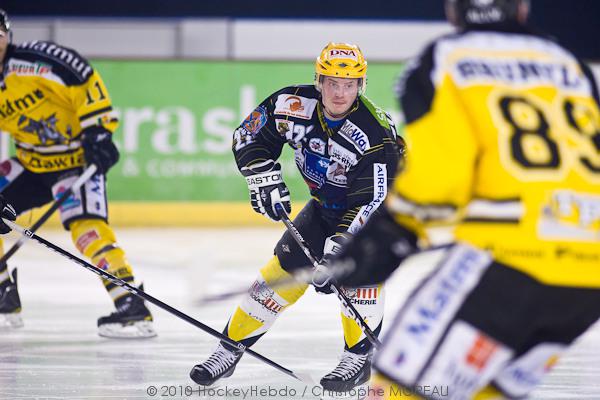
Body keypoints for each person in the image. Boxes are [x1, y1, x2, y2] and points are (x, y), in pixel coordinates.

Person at [330, 0, 600, 399]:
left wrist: (391, 232)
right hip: (589, 272)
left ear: (454, 11)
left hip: (508, 259)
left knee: (397, 388)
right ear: (521, 9)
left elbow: (442, 181)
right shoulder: (569, 63)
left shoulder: (444, 59)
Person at [190, 42, 403, 392]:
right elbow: (249, 137)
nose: (340, 92)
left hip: (376, 216)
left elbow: (373, 200)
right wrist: (262, 176)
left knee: (358, 279)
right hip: (323, 207)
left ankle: (357, 358)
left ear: (361, 85)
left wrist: (339, 251)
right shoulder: (290, 104)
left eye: (349, 84)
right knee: (278, 275)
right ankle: (228, 349)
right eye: (332, 82)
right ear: (319, 80)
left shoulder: (374, 134)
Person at [0, 10, 156, 338]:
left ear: (7, 36)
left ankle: (131, 306)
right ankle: (4, 297)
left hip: (76, 163)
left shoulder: (34, 62)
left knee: (88, 230)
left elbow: (80, 75)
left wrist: (98, 131)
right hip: (31, 163)